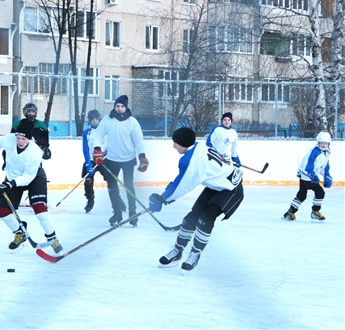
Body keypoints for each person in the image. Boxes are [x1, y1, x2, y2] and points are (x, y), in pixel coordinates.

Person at [149, 127, 244, 273]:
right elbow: (181, 181)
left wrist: (163, 199)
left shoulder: (191, 160)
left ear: (183, 142)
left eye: (176, 143)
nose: (173, 146)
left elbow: (182, 185)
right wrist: (165, 197)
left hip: (231, 189)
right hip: (217, 185)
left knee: (206, 218)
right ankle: (177, 251)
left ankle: (195, 253)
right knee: (190, 218)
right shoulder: (198, 148)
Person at [0, 118, 63, 253]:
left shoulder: (35, 152)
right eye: (18, 137)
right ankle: (20, 233)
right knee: (3, 211)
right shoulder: (9, 139)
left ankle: (53, 238)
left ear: (30, 139)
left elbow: (27, 178)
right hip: (12, 178)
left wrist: (9, 184)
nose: (20, 141)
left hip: (34, 178)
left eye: (23, 139)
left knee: (39, 207)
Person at [92, 95, 149, 227]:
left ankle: (132, 213)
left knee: (129, 185)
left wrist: (142, 157)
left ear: (126, 107)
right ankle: (117, 213)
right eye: (117, 106)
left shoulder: (132, 122)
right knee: (112, 186)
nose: (119, 108)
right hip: (112, 159)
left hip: (129, 159)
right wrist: (97, 150)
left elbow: (138, 141)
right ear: (114, 106)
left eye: (122, 106)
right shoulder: (107, 120)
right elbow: (98, 135)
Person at [283, 131, 332, 222]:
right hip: (307, 176)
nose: (323, 145)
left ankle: (290, 212)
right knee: (320, 192)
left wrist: (327, 177)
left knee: (302, 195)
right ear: (318, 143)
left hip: (305, 176)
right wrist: (312, 176)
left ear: (328, 143)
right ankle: (315, 211)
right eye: (321, 143)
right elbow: (308, 166)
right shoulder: (315, 152)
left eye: (325, 143)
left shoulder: (327, 153)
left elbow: (325, 167)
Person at [81, 109, 107, 213]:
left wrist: (105, 154)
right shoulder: (87, 133)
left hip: (104, 159)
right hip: (91, 160)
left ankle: (117, 200)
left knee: (111, 180)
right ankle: (90, 200)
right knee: (88, 180)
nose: (94, 121)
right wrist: (88, 163)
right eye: (92, 120)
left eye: (96, 119)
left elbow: (110, 145)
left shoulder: (106, 131)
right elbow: (85, 148)